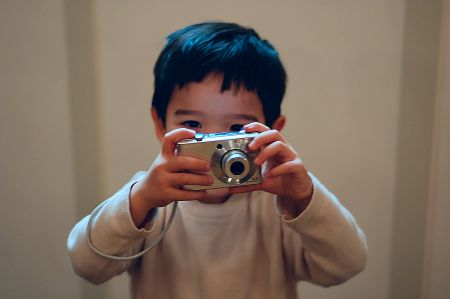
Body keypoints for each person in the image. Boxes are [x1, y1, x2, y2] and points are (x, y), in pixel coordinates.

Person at [67, 22, 367, 299]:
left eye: (237, 129)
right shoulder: (148, 200)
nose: (214, 145)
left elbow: (347, 265)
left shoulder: (281, 205)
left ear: (272, 132)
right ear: (161, 125)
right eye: (193, 124)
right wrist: (140, 199)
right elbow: (88, 266)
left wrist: (305, 199)